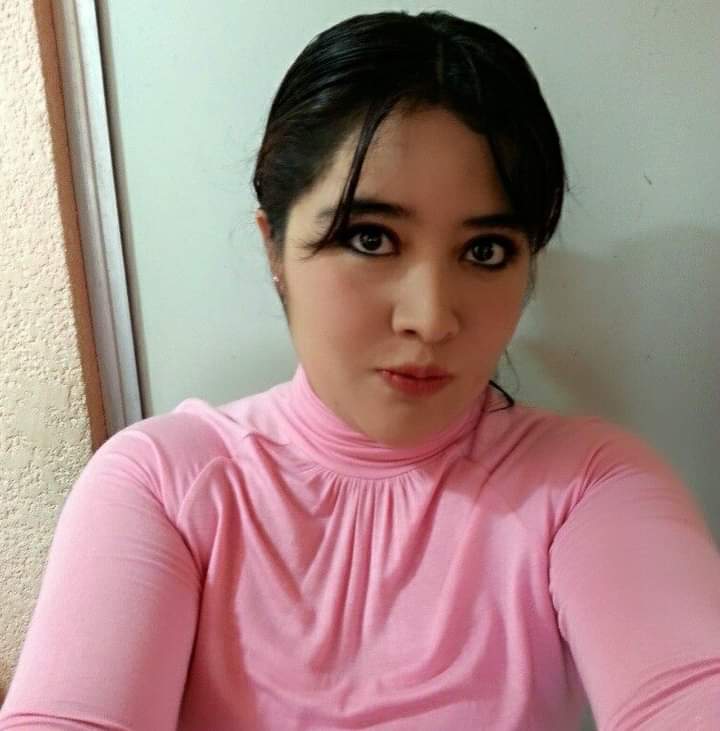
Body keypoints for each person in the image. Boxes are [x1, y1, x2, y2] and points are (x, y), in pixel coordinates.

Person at [1, 9, 718, 730]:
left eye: (486, 250)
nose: (431, 318)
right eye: (370, 237)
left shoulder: (586, 485)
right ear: (275, 248)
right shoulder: (165, 484)